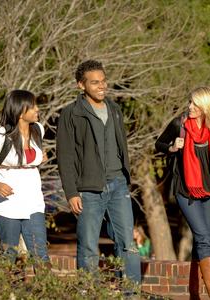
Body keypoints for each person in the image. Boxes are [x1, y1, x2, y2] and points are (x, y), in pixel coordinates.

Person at [56, 60, 141, 284]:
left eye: (103, 81)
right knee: (88, 246)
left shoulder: (115, 109)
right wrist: (71, 192)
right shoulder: (71, 113)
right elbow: (65, 156)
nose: (102, 86)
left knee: (128, 244)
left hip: (118, 184)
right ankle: (89, 292)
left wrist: (125, 176)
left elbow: (121, 145)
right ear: (81, 86)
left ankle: (131, 295)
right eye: (95, 83)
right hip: (88, 190)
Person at [155, 86, 210, 300]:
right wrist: (172, 147)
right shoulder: (179, 125)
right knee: (203, 238)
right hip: (187, 191)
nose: (190, 107)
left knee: (202, 240)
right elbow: (159, 143)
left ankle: (194, 294)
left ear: (205, 106)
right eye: (189, 102)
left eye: (195, 104)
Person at [0, 90, 51, 268]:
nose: (38, 109)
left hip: (33, 202)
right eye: (33, 106)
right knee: (8, 254)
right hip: (6, 203)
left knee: (41, 255)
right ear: (21, 111)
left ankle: (46, 293)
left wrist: (39, 159)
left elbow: (29, 158)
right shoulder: (0, 134)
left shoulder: (38, 129)